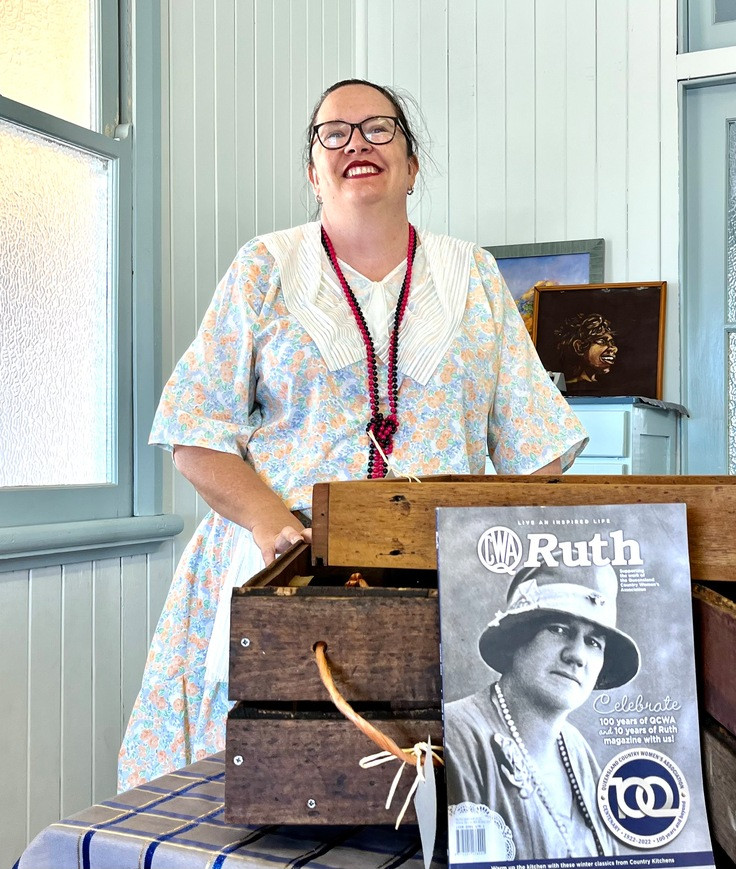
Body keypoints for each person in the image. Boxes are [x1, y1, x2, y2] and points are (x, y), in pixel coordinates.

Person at [117, 79, 588, 791]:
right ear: (313, 169)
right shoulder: (263, 269)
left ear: (412, 162)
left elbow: (540, 445)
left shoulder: (476, 276)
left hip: (434, 577)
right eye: (332, 133)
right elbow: (194, 431)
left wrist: (485, 546)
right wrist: (272, 524)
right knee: (262, 790)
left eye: (379, 129)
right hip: (278, 568)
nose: (356, 143)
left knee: (423, 787)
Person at [444, 563, 641, 860]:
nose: (576, 655)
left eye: (593, 642)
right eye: (559, 629)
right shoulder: (458, 737)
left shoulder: (578, 752)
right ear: (515, 640)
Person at [555, 312, 618, 385]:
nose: (614, 348)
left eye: (612, 343)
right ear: (579, 347)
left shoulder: (606, 386)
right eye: (602, 341)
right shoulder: (568, 387)